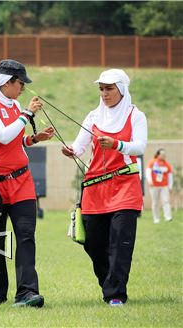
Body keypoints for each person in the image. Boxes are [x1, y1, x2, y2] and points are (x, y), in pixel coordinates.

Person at [62, 68, 147, 306]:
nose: (104, 94)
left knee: (120, 241)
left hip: (125, 186)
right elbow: (79, 146)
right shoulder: (93, 116)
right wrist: (71, 151)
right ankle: (109, 283)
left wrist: (117, 144)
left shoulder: (136, 116)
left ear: (121, 89)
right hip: (94, 188)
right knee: (93, 242)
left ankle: (116, 294)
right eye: (101, 89)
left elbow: (139, 146)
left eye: (109, 89)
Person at [0, 59, 54, 307]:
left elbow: (15, 141)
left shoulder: (15, 104)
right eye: (20, 83)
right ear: (6, 82)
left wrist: (33, 138)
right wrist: (27, 113)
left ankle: (27, 292)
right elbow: (3, 136)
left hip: (21, 181)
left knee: (26, 235)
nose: (22, 88)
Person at [146, 149, 173, 223]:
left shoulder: (167, 164)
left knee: (166, 201)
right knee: (155, 202)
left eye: (165, 154)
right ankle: (156, 218)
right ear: (158, 155)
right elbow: (148, 172)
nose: (164, 156)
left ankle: (168, 217)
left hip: (164, 186)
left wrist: (170, 187)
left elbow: (170, 176)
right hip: (154, 186)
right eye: (162, 154)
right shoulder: (152, 162)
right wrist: (150, 181)